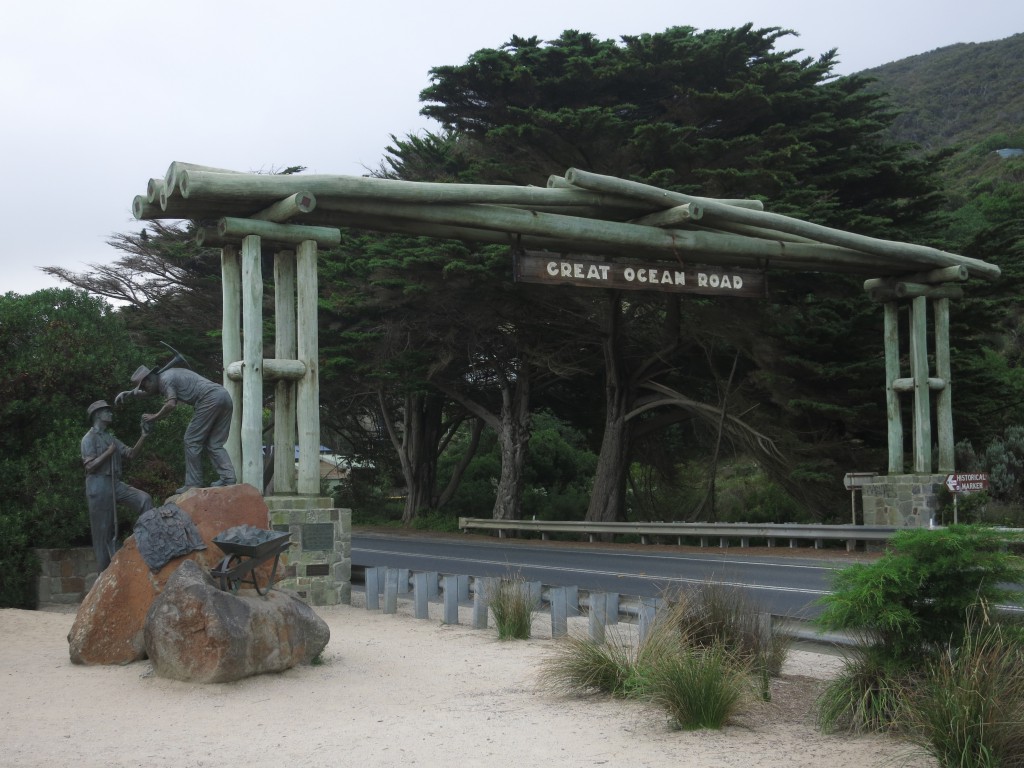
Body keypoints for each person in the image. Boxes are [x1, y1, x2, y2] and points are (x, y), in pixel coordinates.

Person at [129, 364, 237, 494]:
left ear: (149, 379)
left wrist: (154, 417)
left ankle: (193, 483)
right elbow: (153, 391)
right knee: (215, 444)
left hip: (209, 399)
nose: (145, 390)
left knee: (191, 440)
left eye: (144, 387)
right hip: (224, 396)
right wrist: (130, 394)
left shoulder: (165, 380)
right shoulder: (167, 376)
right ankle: (228, 478)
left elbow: (171, 404)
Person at [81, 400, 153, 572]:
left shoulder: (109, 437)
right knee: (103, 536)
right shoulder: (88, 438)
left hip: (114, 483)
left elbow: (130, 453)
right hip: (98, 485)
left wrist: (143, 435)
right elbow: (89, 466)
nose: (111, 414)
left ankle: (143, 544)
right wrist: (108, 453)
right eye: (108, 411)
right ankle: (103, 580)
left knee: (145, 500)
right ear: (98, 414)